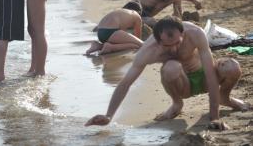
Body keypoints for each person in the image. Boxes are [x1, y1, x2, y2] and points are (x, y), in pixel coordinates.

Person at [85, 16, 249, 130]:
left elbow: (211, 73)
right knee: (171, 67)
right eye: (167, 46)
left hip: (206, 78)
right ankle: (177, 103)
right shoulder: (148, 51)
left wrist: (214, 117)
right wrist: (108, 116)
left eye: (177, 42)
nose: (174, 48)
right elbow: (125, 83)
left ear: (182, 34)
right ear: (158, 40)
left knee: (232, 67)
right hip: (183, 85)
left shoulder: (195, 33)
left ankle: (224, 98)